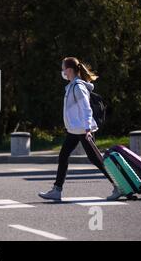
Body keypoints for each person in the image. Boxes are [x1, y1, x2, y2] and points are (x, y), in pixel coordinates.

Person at [38, 57, 120, 201]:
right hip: (75, 130)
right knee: (63, 156)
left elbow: (86, 108)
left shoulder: (78, 87)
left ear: (69, 70)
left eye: (63, 68)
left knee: (96, 159)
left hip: (83, 130)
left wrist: (88, 128)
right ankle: (57, 190)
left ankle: (118, 186)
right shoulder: (72, 86)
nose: (62, 71)